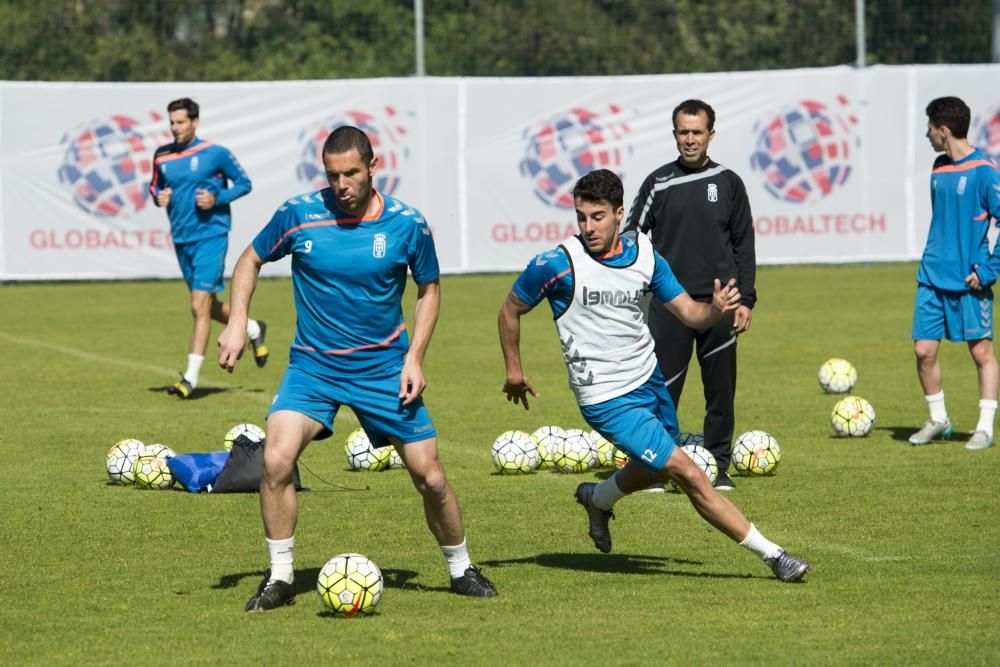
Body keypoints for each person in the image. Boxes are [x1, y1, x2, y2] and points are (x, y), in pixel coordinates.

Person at [217, 126, 497, 612]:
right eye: (332, 175)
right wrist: (237, 321)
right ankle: (280, 577)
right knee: (277, 460)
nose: (342, 184)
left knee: (429, 475)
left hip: (384, 368)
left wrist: (415, 359)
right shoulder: (299, 214)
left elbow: (429, 289)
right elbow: (250, 258)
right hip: (313, 369)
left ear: (372, 167)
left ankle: (461, 568)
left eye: (351, 173)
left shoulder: (409, 224)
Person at [498, 168, 808, 583]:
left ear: (620, 214)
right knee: (689, 472)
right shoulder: (556, 264)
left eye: (598, 216)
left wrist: (716, 308)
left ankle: (598, 498)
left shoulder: (645, 255)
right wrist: (514, 371)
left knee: (659, 468)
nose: (588, 227)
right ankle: (774, 556)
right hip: (605, 399)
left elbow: (691, 314)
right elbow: (509, 310)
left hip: (649, 380)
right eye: (581, 217)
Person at [624, 99, 755, 490]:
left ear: (711, 135)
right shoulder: (658, 182)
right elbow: (631, 235)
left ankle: (717, 466)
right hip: (672, 306)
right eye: (684, 132)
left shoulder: (729, 182)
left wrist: (745, 298)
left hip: (721, 307)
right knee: (662, 391)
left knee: (720, 391)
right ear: (675, 134)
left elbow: (743, 244)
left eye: (698, 132)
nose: (690, 139)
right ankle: (653, 467)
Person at [149, 97, 268, 399]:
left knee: (198, 307)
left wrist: (218, 199)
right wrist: (158, 196)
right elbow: (154, 186)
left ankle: (189, 379)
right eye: (172, 122)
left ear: (195, 122)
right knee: (206, 305)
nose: (175, 128)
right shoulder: (162, 155)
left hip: (211, 236)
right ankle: (253, 328)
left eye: (181, 122)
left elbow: (244, 183)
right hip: (182, 238)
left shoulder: (215, 153)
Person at [908, 96, 1000, 450]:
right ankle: (939, 419)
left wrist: (988, 269)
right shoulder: (938, 167)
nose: (927, 134)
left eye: (930, 128)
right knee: (924, 351)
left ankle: (985, 428)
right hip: (931, 277)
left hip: (968, 282)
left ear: (943, 130)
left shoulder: (985, 172)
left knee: (981, 354)